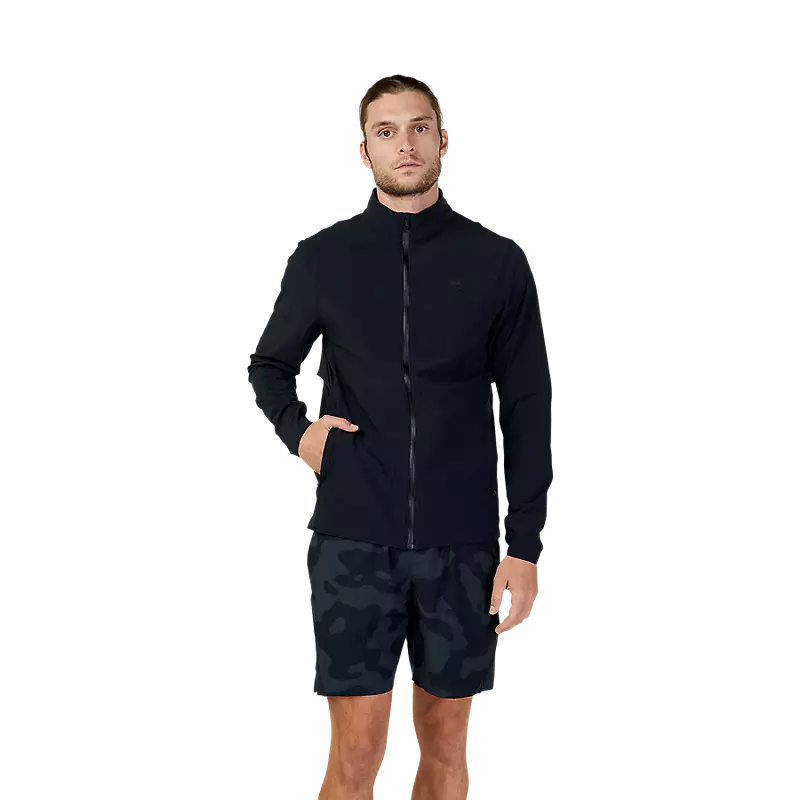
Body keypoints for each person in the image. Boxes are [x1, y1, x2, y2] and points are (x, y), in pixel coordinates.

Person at [247, 73, 552, 799]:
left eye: (419, 128)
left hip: (462, 546)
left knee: (445, 744)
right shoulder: (323, 258)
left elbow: (528, 405)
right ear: (365, 151)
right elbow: (269, 367)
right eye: (386, 132)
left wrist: (524, 546)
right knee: (356, 752)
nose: (405, 144)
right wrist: (301, 435)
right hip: (354, 540)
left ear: (444, 140)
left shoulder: (497, 261)